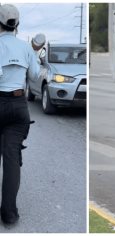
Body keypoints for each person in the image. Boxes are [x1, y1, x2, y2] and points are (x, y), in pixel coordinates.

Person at [0, 4, 42, 224]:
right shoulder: (25, 47)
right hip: (18, 106)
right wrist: (33, 55)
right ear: (17, 24)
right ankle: (9, 214)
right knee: (12, 159)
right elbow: (35, 76)